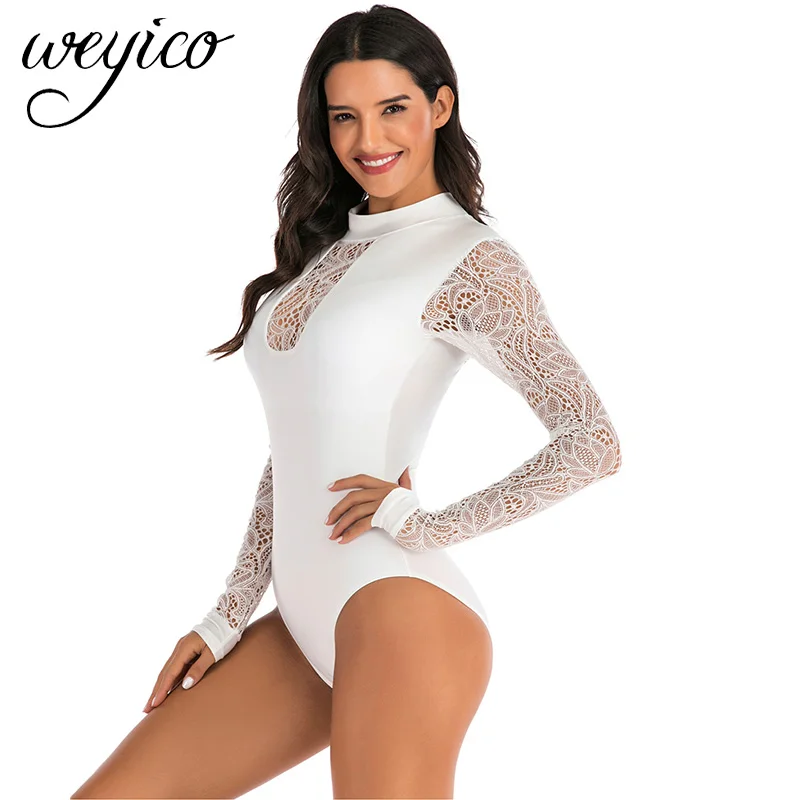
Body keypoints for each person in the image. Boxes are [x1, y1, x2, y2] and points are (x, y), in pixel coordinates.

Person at [71, 6, 621, 799]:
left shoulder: (471, 259)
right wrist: (228, 613)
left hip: (399, 613)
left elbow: (592, 440)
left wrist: (427, 526)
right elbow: (294, 452)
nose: (369, 139)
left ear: (440, 105)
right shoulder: (326, 251)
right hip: (301, 624)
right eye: (344, 117)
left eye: (393, 108)